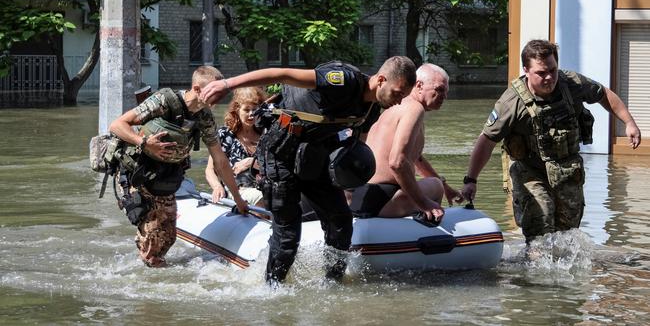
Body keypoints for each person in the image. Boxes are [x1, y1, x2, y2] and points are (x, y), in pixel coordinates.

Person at [200, 56, 417, 283]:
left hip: (316, 157)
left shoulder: (371, 109)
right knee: (288, 236)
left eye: (404, 96)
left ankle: (332, 284)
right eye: (398, 93)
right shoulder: (342, 80)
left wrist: (348, 182)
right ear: (381, 80)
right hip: (280, 152)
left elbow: (354, 149)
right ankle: (271, 289)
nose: (400, 101)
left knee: (341, 221)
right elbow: (282, 74)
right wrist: (226, 84)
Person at [461, 39, 641, 244]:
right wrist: (471, 180)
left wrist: (629, 122)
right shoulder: (511, 103)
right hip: (530, 171)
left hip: (567, 168)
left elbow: (603, 94)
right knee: (541, 218)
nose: (549, 77)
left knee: (568, 234)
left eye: (553, 70)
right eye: (541, 73)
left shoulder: (572, 83)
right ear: (526, 70)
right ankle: (533, 270)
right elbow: (486, 141)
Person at [109, 66, 249, 267]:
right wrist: (145, 143)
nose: (219, 98)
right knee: (154, 238)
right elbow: (117, 125)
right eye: (214, 92)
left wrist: (238, 199)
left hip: (164, 177)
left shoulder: (204, 116)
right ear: (197, 89)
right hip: (136, 174)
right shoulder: (164, 101)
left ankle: (147, 263)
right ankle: (147, 279)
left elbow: (220, 160)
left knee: (168, 237)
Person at [351, 63, 462, 222]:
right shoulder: (415, 109)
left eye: (446, 92)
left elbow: (416, 159)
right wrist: (424, 202)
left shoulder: (394, 108)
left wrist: (447, 189)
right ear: (419, 85)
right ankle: (428, 227)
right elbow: (397, 162)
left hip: (362, 197)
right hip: (383, 199)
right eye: (439, 89)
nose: (444, 96)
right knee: (435, 185)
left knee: (438, 184)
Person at [205, 87, 268, 207]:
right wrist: (217, 186)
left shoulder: (266, 135)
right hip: (237, 190)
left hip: (264, 186)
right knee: (260, 196)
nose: (251, 114)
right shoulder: (225, 134)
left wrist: (251, 162)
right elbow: (210, 170)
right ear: (237, 110)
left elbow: (275, 167)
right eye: (246, 110)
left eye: (255, 110)